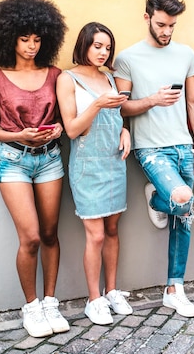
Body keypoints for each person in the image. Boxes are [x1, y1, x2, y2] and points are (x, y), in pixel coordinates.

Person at [0, 0, 69, 337]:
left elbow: (65, 116)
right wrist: (21, 136)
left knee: (50, 234)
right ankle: (30, 307)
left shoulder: (55, 74)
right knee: (30, 237)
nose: (31, 46)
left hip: (49, 159)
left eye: (37, 39)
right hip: (14, 161)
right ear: (8, 38)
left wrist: (58, 127)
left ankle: (50, 302)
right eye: (24, 39)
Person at [113, 0, 194, 318]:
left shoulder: (185, 54)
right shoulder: (127, 58)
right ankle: (158, 197)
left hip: (183, 145)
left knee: (185, 216)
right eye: (162, 24)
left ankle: (174, 289)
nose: (167, 32)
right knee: (182, 199)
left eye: (172, 26)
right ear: (147, 18)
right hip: (150, 148)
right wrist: (152, 100)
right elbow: (121, 106)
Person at [56, 22, 133, 325]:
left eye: (108, 48)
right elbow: (73, 129)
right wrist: (98, 104)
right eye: (97, 46)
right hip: (87, 166)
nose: (103, 52)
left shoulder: (111, 79)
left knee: (113, 230)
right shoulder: (67, 79)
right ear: (84, 45)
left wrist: (125, 132)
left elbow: (118, 119)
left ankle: (112, 290)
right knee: (96, 235)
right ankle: (94, 299)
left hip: (114, 162)